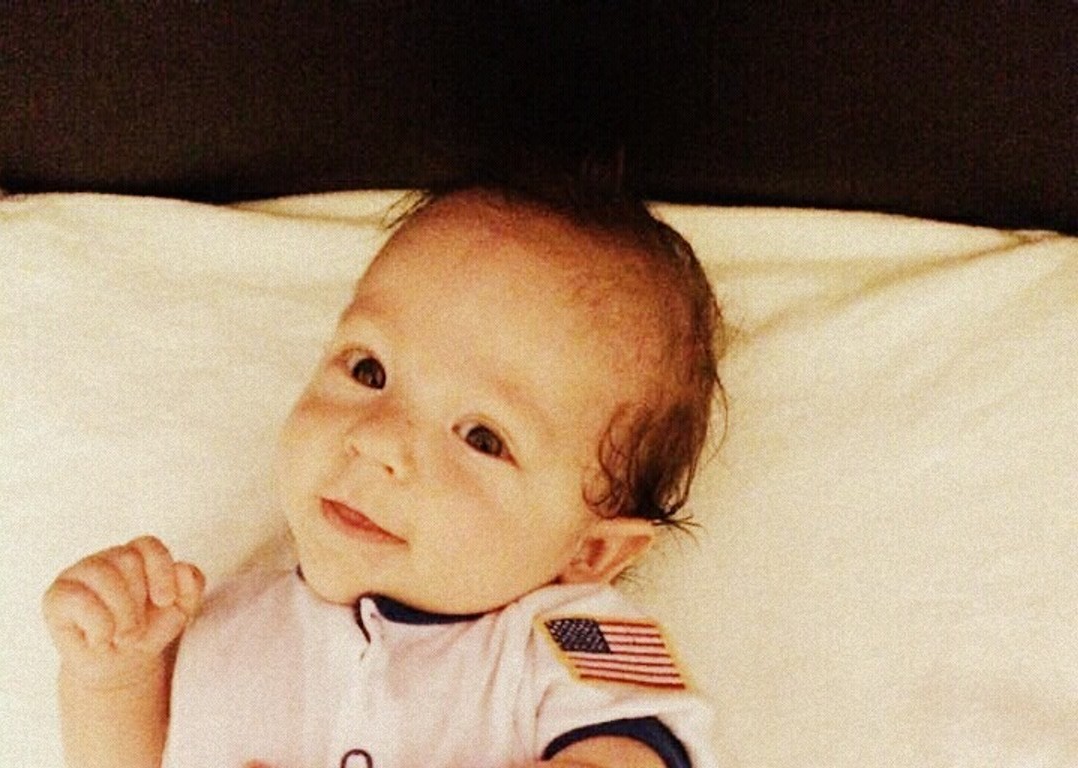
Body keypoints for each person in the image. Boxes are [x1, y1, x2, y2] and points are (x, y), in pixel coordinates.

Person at [43, 174, 725, 768]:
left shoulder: (576, 631)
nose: (377, 440)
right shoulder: (220, 619)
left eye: (482, 437)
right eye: (369, 371)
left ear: (591, 551)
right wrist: (114, 677)